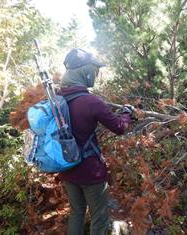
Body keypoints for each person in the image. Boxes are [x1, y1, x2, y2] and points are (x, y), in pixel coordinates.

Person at [58, 48, 133, 235]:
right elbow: (119, 127)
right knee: (99, 218)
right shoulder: (91, 102)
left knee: (76, 213)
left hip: (67, 168)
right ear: (85, 71)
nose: (96, 74)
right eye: (94, 70)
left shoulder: (58, 99)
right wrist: (127, 113)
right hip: (91, 172)